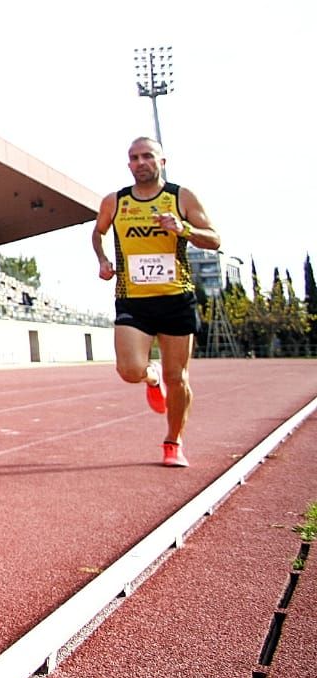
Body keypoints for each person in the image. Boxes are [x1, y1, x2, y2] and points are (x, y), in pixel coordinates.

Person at [91, 136, 220, 468]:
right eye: (134, 158)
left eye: (147, 156)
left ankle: (173, 442)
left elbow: (215, 239)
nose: (140, 162)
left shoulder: (180, 197)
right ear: (128, 165)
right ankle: (151, 377)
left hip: (176, 298)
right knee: (128, 370)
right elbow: (98, 232)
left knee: (178, 377)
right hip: (133, 299)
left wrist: (184, 228)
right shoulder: (115, 202)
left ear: (162, 162)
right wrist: (104, 261)